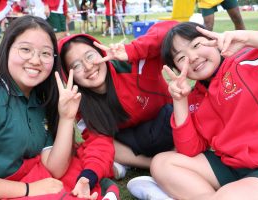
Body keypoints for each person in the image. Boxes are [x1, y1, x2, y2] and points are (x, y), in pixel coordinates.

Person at [0, 15, 119, 200]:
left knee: (80, 174)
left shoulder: (39, 101)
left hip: (28, 178)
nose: (36, 60)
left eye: (45, 53)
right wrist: (28, 189)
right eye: (25, 49)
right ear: (6, 49)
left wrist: (67, 117)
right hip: (3, 188)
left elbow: (55, 168)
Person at [147, 22, 258, 199]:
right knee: (162, 163)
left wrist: (249, 38)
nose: (192, 57)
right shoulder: (194, 97)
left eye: (196, 45)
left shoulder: (249, 61)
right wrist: (180, 101)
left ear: (214, 40)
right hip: (232, 166)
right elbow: (189, 150)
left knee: (229, 195)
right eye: (181, 58)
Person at [58, 20, 178, 180]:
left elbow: (173, 29)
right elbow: (98, 143)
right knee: (102, 146)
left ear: (101, 53)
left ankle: (173, 157)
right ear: (69, 75)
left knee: (179, 113)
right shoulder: (80, 103)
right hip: (135, 140)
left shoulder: (131, 65)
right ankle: (156, 163)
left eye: (90, 56)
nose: (88, 67)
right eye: (76, 66)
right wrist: (89, 176)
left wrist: (132, 50)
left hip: (169, 124)